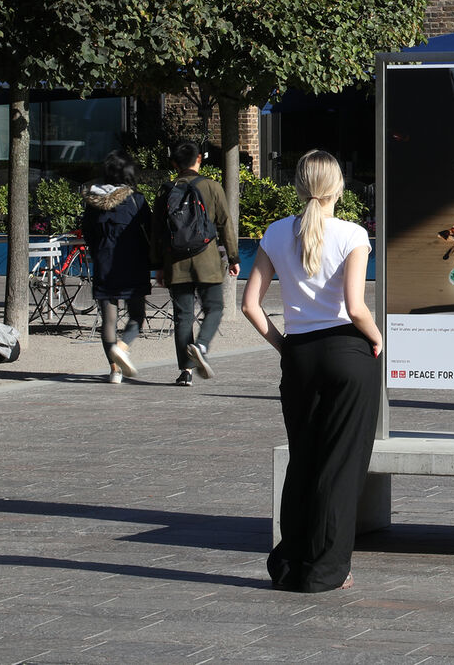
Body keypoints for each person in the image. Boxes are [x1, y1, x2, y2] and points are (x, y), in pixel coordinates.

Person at [241, 149, 380, 593]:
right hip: (347, 352)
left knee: (303, 459)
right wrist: (377, 338)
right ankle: (328, 569)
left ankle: (292, 563)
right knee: (340, 465)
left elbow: (250, 305)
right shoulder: (353, 234)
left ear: (298, 185)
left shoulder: (276, 232)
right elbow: (357, 308)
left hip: (299, 356)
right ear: (338, 187)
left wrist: (284, 346)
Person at [155, 140, 238, 387]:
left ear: (174, 164)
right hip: (207, 260)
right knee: (214, 307)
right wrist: (233, 257)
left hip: (175, 261)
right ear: (199, 159)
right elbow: (225, 223)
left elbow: (157, 230)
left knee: (183, 317)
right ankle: (201, 345)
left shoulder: (165, 190)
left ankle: (186, 371)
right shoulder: (212, 187)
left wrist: (158, 264)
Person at [82, 150, 152, 383]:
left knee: (108, 320)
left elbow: (88, 235)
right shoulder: (136, 200)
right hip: (133, 264)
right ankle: (122, 347)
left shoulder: (93, 203)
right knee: (137, 316)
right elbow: (150, 232)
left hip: (104, 264)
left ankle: (114, 369)